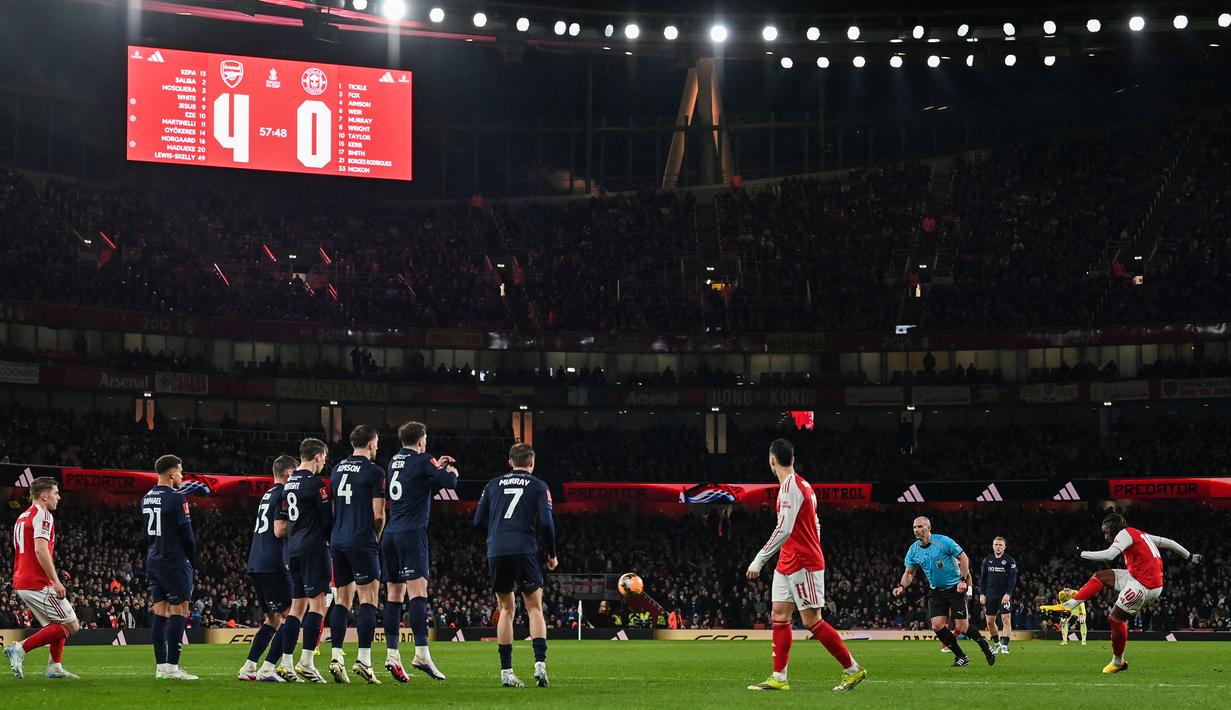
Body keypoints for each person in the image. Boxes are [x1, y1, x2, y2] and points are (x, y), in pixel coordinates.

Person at [745, 439, 866, 693]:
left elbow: (784, 528)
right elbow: (817, 523)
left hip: (803, 563)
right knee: (779, 615)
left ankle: (853, 670)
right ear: (793, 457)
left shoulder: (791, 487)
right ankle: (779, 677)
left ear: (771, 460)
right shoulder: (803, 485)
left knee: (812, 620)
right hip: (787, 562)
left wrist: (759, 559)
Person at [1042, 512, 1201, 673]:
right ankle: (1069, 606)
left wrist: (1080, 553)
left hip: (1145, 585)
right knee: (1100, 576)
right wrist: (1190, 556)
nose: (1105, 535)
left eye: (1106, 531)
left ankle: (1118, 661)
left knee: (1115, 619)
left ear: (1114, 528)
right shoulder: (1138, 533)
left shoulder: (1125, 534)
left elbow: (1110, 555)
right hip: (1139, 578)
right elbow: (1171, 543)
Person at [474, 442, 557, 688]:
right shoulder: (539, 486)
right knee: (534, 608)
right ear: (532, 462)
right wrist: (551, 554)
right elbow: (547, 523)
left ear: (510, 462)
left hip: (497, 550)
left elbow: (478, 522)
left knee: (506, 609)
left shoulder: (492, 485)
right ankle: (540, 665)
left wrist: (495, 538)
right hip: (525, 549)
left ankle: (507, 672)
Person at [382, 421, 457, 683]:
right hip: (412, 534)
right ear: (422, 440)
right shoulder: (424, 459)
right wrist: (450, 470)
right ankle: (422, 654)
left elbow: (421, 486)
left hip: (390, 534)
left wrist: (437, 466)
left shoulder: (393, 462)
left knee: (394, 594)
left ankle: (392, 654)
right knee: (417, 593)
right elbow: (449, 483)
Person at [4, 477, 81, 680]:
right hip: (36, 582)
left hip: (22, 579)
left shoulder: (22, 516)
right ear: (44, 495)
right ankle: (20, 648)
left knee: (57, 623)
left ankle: (54, 667)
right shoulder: (43, 515)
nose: (59, 497)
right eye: (56, 493)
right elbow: (39, 549)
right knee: (72, 625)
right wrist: (55, 580)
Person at [326, 425, 386, 685]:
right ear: (371, 444)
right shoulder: (374, 471)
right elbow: (379, 514)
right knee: (369, 600)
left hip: (338, 540)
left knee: (342, 599)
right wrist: (376, 535)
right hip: (362, 539)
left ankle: (337, 656)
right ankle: (363, 659)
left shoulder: (336, 469)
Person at [893, 517, 996, 668]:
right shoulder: (913, 550)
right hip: (936, 591)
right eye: (914, 527)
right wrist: (901, 586)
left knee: (962, 628)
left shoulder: (943, 542)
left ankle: (985, 646)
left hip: (955, 588)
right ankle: (961, 656)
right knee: (937, 626)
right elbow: (909, 573)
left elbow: (964, 557)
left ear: (929, 528)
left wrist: (962, 580)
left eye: (920, 526)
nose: (916, 530)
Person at [277, 438, 333, 683]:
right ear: (319, 455)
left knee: (296, 608)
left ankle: (286, 663)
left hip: (294, 550)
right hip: (314, 549)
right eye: (324, 458)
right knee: (318, 605)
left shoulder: (288, 485)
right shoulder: (316, 484)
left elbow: (284, 522)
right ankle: (307, 662)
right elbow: (327, 522)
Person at [138, 455, 199, 680]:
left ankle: (161, 667)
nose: (182, 476)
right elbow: (188, 537)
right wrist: (194, 561)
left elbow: (145, 535)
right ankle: (173, 668)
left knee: (160, 612)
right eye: (180, 472)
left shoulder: (146, 498)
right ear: (172, 473)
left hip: (154, 560)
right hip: (174, 561)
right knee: (179, 611)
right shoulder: (177, 498)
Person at [238, 455, 297, 682]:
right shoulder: (283, 494)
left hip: (256, 562)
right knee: (293, 615)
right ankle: (268, 668)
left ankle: (249, 666)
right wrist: (304, 522)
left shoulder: (267, 494)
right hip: (274, 563)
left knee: (272, 619)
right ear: (289, 473)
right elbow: (280, 530)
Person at [978, 536, 1018, 654]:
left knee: (1006, 619)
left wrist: (1008, 593)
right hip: (990, 595)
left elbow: (1012, 579)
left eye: (1000, 545)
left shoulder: (1010, 560)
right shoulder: (988, 560)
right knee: (990, 621)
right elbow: (983, 579)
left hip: (1003, 595)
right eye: (996, 544)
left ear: (1004, 547)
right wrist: (982, 594)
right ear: (993, 546)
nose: (998, 547)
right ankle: (996, 643)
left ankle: (1005, 645)